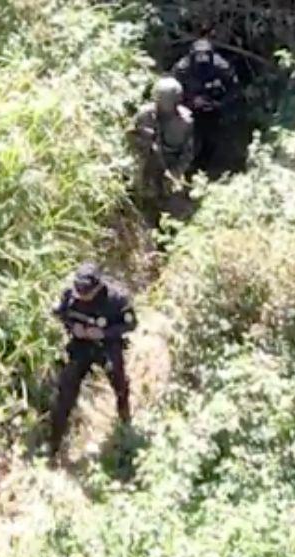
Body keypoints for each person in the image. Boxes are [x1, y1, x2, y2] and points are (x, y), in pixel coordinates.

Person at [48, 262, 138, 458]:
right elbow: (58, 313)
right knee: (65, 391)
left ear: (98, 287)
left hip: (107, 345)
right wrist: (73, 327)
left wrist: (104, 333)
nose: (81, 295)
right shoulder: (70, 294)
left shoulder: (116, 298)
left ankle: (125, 426)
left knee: (119, 383)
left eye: (86, 292)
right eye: (79, 290)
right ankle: (53, 444)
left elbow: (131, 325)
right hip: (80, 345)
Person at [128, 76, 195, 215]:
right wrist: (144, 146)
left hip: (170, 166)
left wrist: (176, 172)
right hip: (146, 162)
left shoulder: (185, 121)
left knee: (176, 204)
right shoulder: (144, 115)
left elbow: (188, 152)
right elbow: (130, 136)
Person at [171, 38, 241, 170]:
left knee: (212, 139)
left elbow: (234, 89)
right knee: (186, 138)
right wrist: (190, 101)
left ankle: (205, 165)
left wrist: (219, 103)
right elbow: (172, 92)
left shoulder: (221, 67)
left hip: (215, 108)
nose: (202, 59)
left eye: (205, 55)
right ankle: (184, 165)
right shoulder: (182, 69)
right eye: (198, 55)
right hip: (187, 109)